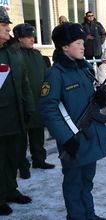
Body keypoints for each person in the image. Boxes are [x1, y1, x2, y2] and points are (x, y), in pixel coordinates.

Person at [39, 22, 106, 220]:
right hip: (73, 140)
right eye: (78, 43)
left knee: (87, 181)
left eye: (83, 43)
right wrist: (66, 138)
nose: (83, 46)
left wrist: (100, 99)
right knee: (73, 184)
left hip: (90, 136)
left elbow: (90, 99)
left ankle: (89, 215)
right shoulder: (55, 74)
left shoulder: (85, 68)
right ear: (64, 47)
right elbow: (48, 109)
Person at [0, 6, 35, 216]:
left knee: (14, 155)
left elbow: (25, 82)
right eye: (4, 26)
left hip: (16, 114)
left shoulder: (13, 50)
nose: (8, 30)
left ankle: (11, 190)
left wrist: (29, 107)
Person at [13, 23, 55, 180]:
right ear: (19, 38)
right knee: (21, 139)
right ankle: (23, 166)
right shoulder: (14, 55)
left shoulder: (38, 56)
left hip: (39, 101)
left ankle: (39, 159)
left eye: (33, 36)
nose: (32, 39)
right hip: (22, 104)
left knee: (38, 133)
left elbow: (46, 77)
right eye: (28, 36)